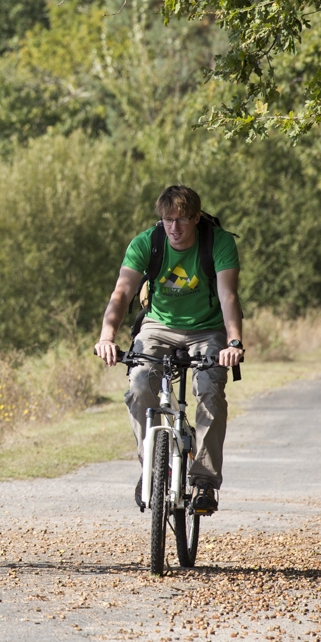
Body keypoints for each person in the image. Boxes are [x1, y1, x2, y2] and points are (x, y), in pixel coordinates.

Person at [94, 185, 244, 514]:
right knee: (139, 385)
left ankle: (204, 480)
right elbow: (121, 293)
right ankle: (151, 466)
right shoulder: (146, 242)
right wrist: (106, 336)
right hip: (158, 326)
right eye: (168, 220)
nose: (174, 228)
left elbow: (228, 296)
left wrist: (233, 341)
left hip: (207, 328)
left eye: (182, 220)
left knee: (210, 390)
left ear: (197, 218)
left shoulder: (218, 242)